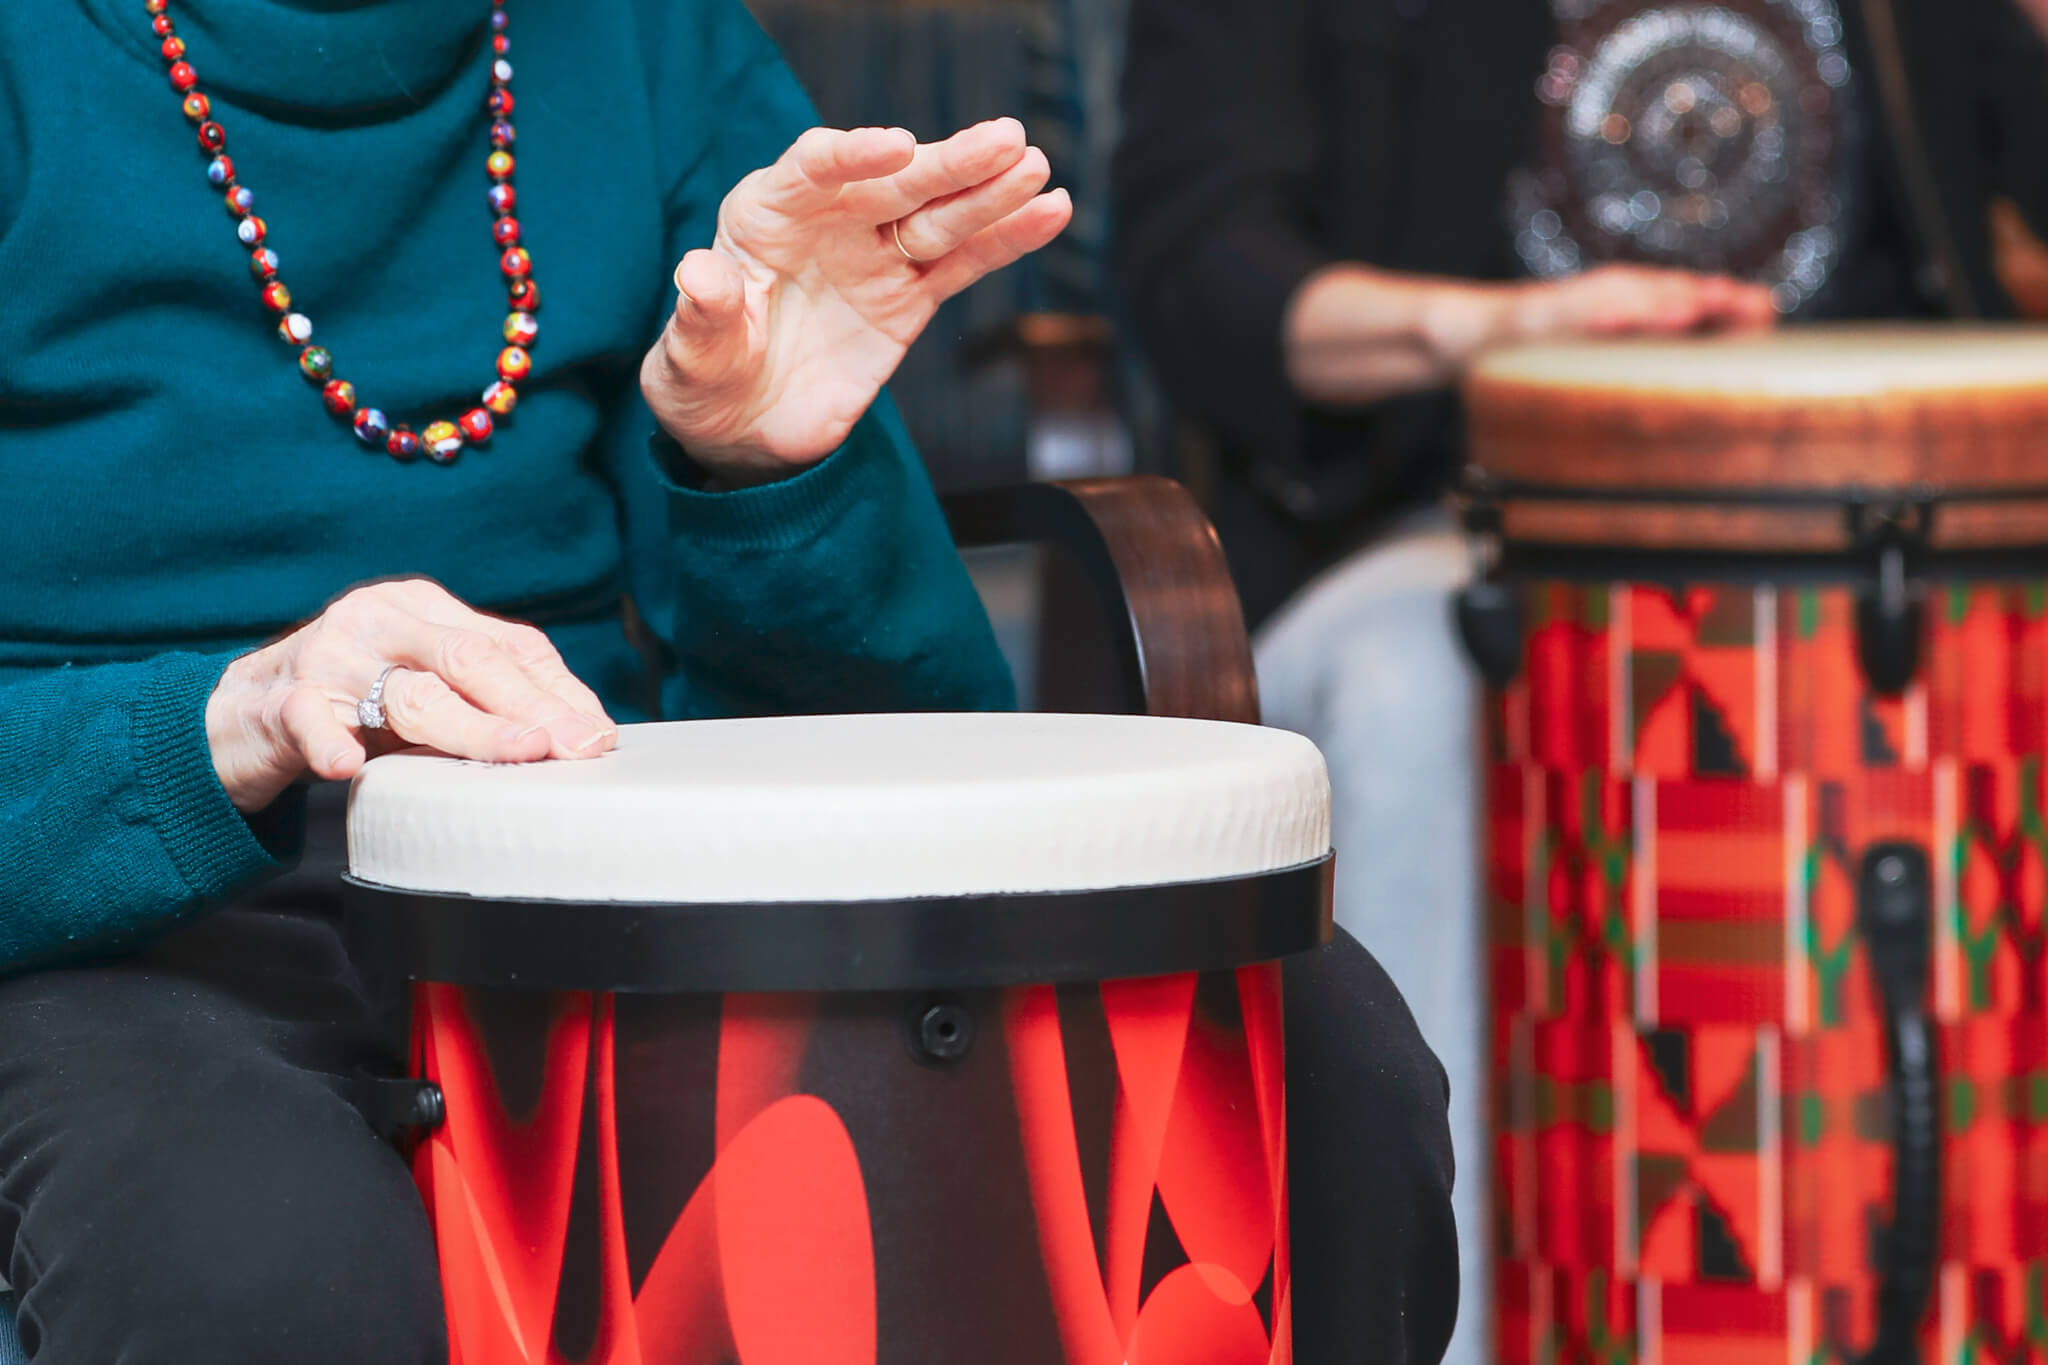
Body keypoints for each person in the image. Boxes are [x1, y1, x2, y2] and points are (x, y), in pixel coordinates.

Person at [0, 1, 1454, 1361]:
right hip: (115, 907)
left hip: (584, 860)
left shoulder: (646, 40)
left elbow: (912, 741)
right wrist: (237, 713)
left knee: (1323, 1072)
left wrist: (773, 473)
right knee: (259, 1256)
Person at [1112, 3, 2048, 1364]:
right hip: (1458, 529)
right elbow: (1204, 278)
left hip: (1895, 534)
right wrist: (1511, 329)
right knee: (1413, 697)